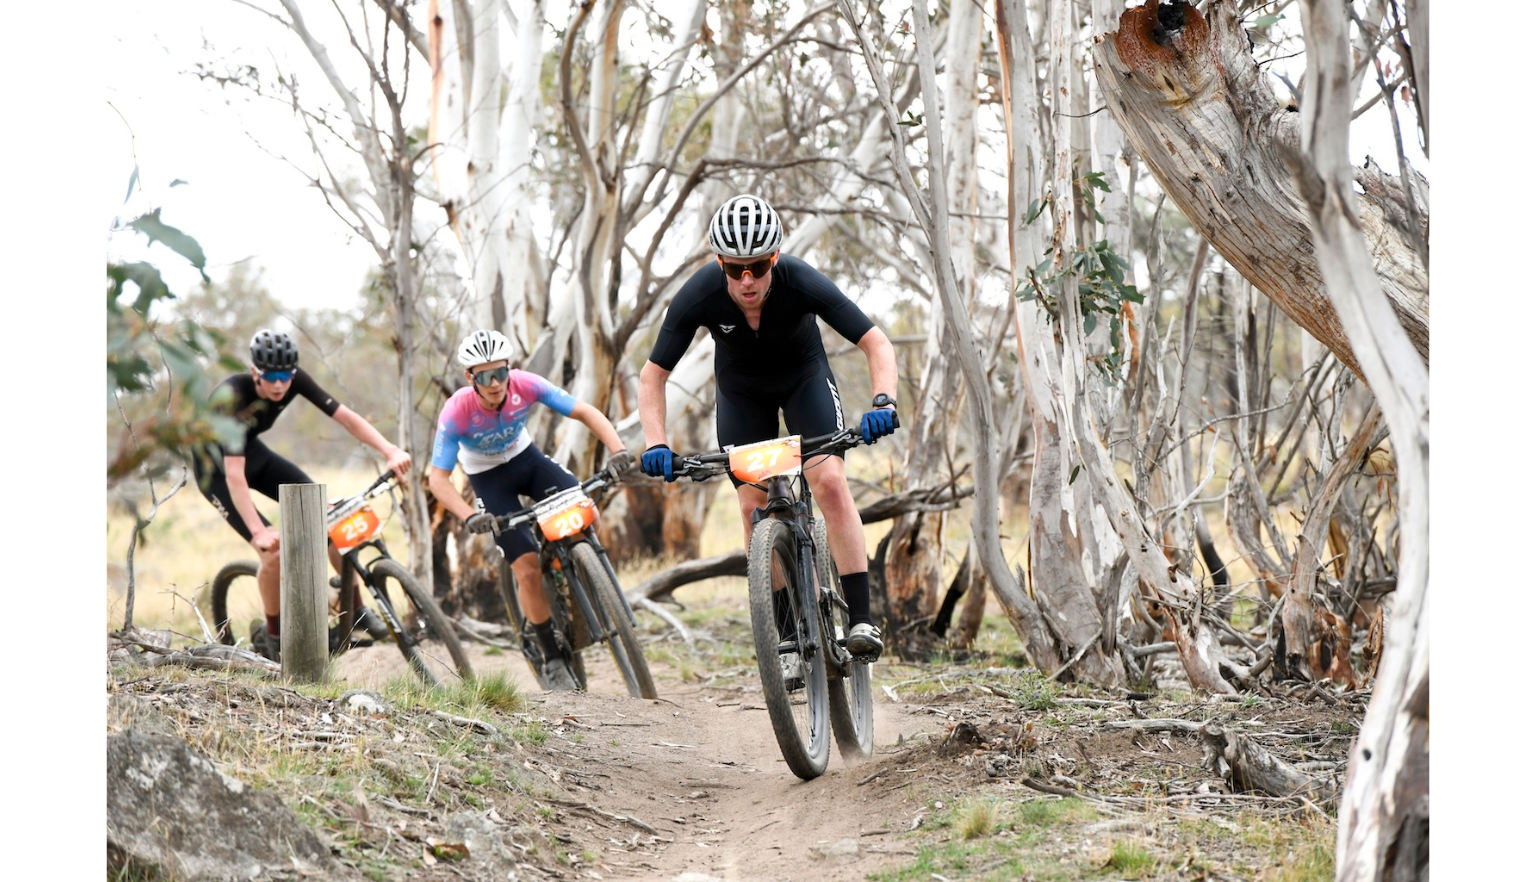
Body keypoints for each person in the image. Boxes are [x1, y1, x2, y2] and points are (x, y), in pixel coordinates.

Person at [638, 194, 899, 684]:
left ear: (774, 258)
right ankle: (785, 637)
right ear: (720, 263)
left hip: (804, 380)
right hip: (742, 394)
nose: (747, 281)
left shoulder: (800, 280)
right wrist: (656, 443)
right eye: (735, 270)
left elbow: (875, 342)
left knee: (829, 482)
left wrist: (884, 402)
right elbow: (653, 376)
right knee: (750, 504)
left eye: (758, 267)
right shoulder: (699, 295)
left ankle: (861, 618)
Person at [426, 329, 633, 692]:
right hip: (488, 479)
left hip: (528, 460)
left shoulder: (526, 384)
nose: (495, 384)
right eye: (484, 376)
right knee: (527, 570)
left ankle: (585, 578)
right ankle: (552, 658)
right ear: (469, 378)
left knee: (588, 513)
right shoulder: (457, 410)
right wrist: (469, 516)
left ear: (510, 369)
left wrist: (617, 449)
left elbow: (583, 411)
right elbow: (437, 479)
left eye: (500, 373)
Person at [195, 328, 412, 660]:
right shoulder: (234, 399)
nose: (280, 384)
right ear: (255, 372)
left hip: (254, 454)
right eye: (271, 377)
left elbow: (346, 418)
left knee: (330, 518)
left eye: (285, 375)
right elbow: (235, 475)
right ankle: (275, 636)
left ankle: (354, 612)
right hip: (217, 474)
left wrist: (390, 449)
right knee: (274, 555)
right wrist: (259, 531)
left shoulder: (294, 381)